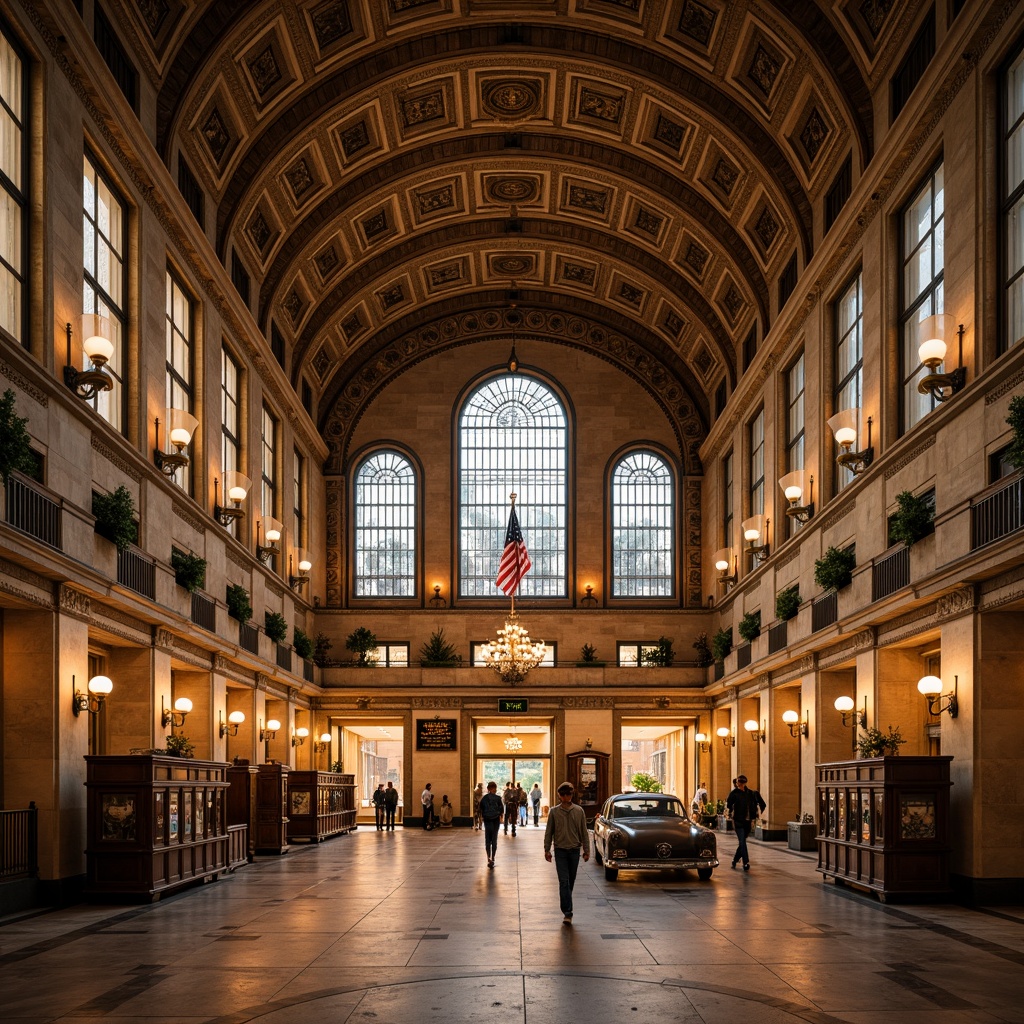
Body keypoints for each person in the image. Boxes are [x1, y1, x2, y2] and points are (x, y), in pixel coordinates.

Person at [544, 781, 590, 925]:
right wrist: (547, 849)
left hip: (574, 851)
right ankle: (567, 912)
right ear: (559, 795)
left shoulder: (579, 811)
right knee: (564, 882)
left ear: (572, 794)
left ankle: (567, 905)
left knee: (571, 881)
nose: (566, 797)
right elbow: (549, 832)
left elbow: (584, 832)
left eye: (568, 794)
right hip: (560, 851)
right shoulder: (554, 812)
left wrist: (586, 850)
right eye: (563, 794)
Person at [726, 775, 766, 870]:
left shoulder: (751, 793)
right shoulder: (734, 793)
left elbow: (761, 803)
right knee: (742, 841)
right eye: (738, 782)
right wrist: (731, 810)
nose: (739, 784)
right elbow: (729, 804)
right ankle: (746, 862)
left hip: (748, 822)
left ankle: (735, 860)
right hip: (738, 822)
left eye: (740, 782)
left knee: (742, 843)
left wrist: (757, 812)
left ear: (742, 783)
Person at [479, 781, 504, 867]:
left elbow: (480, 808)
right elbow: (501, 810)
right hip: (495, 820)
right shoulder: (498, 798)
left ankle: (488, 858)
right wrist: (500, 816)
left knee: (487, 839)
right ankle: (493, 857)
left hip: (487, 820)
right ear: (494, 789)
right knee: (494, 839)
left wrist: (482, 817)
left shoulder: (484, 798)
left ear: (488, 789)